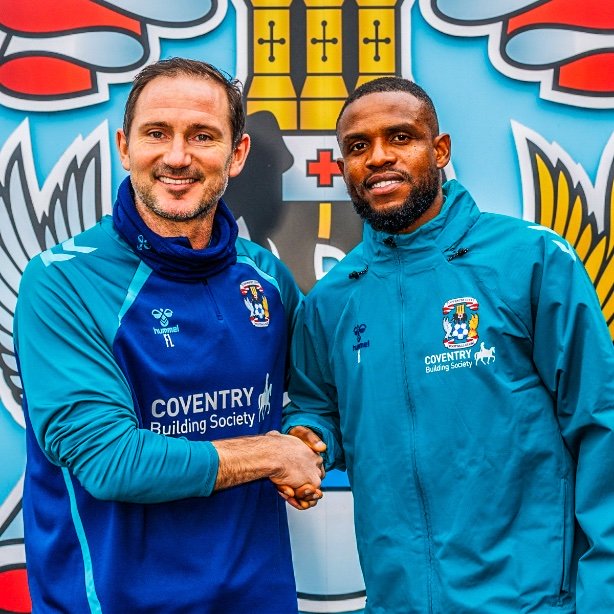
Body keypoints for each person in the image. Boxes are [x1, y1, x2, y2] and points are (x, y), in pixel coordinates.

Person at [283, 76, 614, 613]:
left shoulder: (530, 260)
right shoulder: (331, 299)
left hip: (531, 601)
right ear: (343, 166)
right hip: (397, 600)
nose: (378, 157)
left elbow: (601, 425)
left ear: (440, 150)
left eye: (400, 137)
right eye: (358, 146)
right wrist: (309, 436)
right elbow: (317, 406)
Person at [14, 58, 323, 613]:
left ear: (237, 155)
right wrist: (273, 454)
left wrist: (307, 434)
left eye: (202, 136)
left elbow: (317, 391)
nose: (177, 156)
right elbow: (110, 460)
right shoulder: (62, 281)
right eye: (157, 133)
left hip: (259, 599)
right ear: (125, 147)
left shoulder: (266, 277)